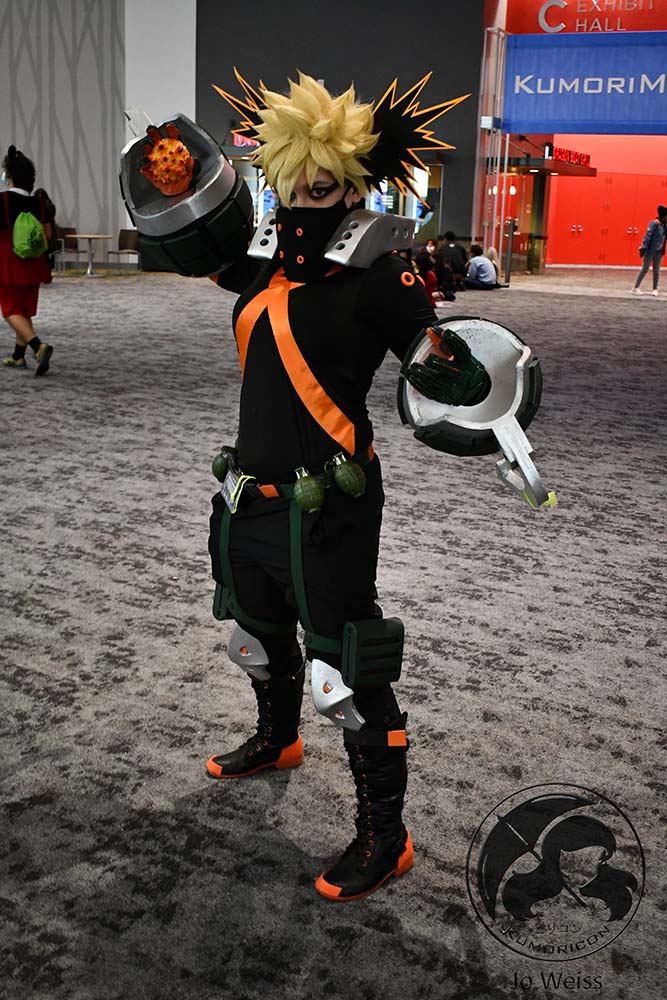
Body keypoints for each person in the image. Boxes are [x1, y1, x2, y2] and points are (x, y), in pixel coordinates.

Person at [126, 71, 488, 902]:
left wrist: (466, 374)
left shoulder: (384, 276)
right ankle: (276, 740)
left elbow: (445, 370)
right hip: (249, 496)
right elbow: (189, 246)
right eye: (290, 183)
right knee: (255, 634)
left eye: (320, 186)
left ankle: (385, 837)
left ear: (356, 185)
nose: (302, 199)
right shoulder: (260, 264)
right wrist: (167, 175)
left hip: (330, 503)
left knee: (346, 672)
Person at [1, 146, 55, 374]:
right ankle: (18, 356)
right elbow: (48, 235)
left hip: (8, 263)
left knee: (10, 310)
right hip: (34, 264)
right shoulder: (40, 203)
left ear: (9, 176)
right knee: (23, 310)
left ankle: (38, 347)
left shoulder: (3, 201)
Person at [632, 205, 666, 296]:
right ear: (663, 215)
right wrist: (643, 247)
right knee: (645, 268)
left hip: (659, 251)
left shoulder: (665, 226)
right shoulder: (655, 223)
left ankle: (655, 289)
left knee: (657, 270)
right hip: (650, 250)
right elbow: (648, 235)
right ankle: (635, 288)